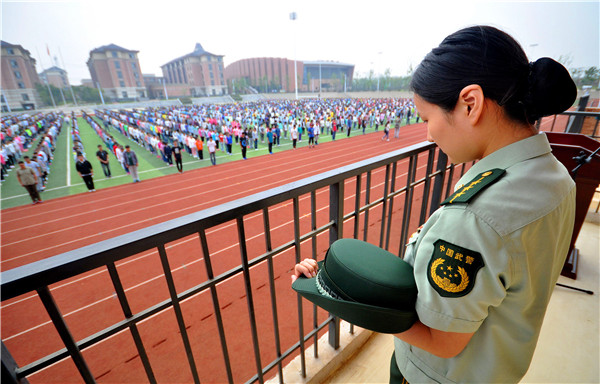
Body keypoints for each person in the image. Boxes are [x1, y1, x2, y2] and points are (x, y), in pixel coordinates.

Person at [292, 25, 577, 384]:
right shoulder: (554, 175)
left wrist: (335, 295)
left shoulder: (475, 217)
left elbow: (442, 342)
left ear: (470, 104)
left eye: (427, 118)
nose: (428, 134)